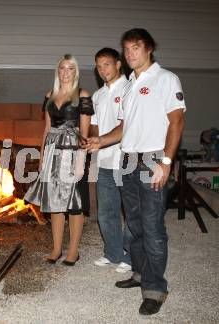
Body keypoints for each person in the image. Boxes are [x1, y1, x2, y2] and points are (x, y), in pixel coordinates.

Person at [86, 28, 186, 315]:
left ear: (149, 48)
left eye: (135, 48)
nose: (130, 54)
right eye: (126, 49)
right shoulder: (130, 84)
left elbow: (176, 122)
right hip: (127, 160)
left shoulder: (165, 79)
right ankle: (140, 274)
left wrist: (166, 163)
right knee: (135, 224)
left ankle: (155, 289)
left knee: (153, 228)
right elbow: (124, 128)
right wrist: (101, 140)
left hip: (152, 159)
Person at [25, 54, 94, 266]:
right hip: (53, 151)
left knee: (75, 204)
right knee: (55, 203)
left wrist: (81, 159)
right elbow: (47, 128)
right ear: (58, 71)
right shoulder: (50, 94)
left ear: (76, 72)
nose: (65, 72)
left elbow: (85, 130)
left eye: (70, 68)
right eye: (62, 68)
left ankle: (73, 250)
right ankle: (56, 249)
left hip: (73, 152)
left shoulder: (82, 95)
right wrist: (42, 156)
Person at [90, 48, 132, 274]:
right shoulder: (98, 95)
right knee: (106, 212)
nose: (102, 69)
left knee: (131, 212)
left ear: (118, 64)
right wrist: (91, 140)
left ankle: (130, 255)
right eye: (99, 65)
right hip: (105, 161)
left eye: (107, 64)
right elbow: (96, 126)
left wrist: (102, 140)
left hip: (127, 161)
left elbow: (126, 126)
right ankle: (113, 253)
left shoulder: (129, 89)